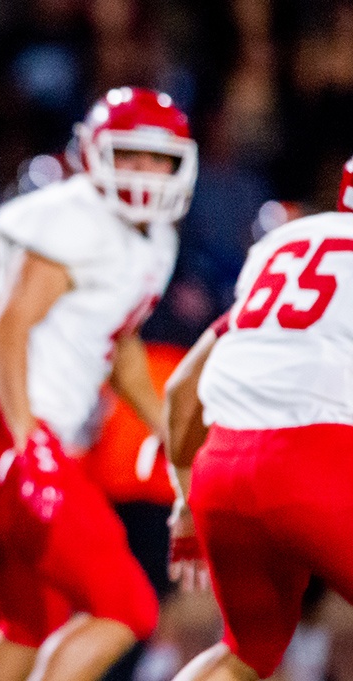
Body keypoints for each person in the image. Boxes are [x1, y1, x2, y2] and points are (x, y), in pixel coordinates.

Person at [0, 86, 199, 681]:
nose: (146, 172)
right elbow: (9, 327)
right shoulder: (75, 215)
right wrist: (31, 442)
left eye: (159, 159)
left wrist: (168, 433)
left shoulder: (155, 238)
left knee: (29, 627)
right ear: (97, 152)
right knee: (128, 607)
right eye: (131, 155)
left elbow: (117, 342)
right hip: (4, 428)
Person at [163, 155, 353, 681]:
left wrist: (184, 507)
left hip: (221, 470)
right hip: (317, 461)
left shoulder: (286, 245)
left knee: (247, 652)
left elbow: (182, 388)